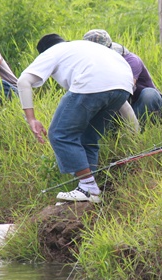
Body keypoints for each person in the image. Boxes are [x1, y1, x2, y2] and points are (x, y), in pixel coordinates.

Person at [17, 33, 134, 203]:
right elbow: (116, 94)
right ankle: (89, 190)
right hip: (124, 83)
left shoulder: (52, 52)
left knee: (59, 133)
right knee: (89, 138)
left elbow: (23, 82)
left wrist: (31, 119)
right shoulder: (80, 48)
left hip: (93, 82)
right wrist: (134, 132)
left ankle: (88, 187)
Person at [83, 29, 162, 126]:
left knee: (149, 94)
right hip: (116, 110)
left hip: (140, 104)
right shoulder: (92, 65)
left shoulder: (131, 60)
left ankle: (139, 133)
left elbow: (125, 90)